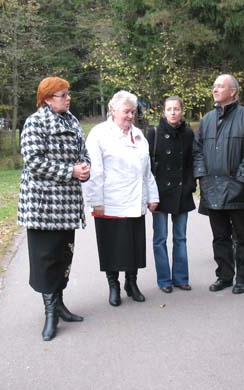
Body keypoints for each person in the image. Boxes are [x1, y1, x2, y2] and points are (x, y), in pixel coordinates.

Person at [18, 76, 90, 341]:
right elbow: (34, 161)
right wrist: (70, 170)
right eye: (62, 95)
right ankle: (50, 312)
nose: (68, 98)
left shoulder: (71, 121)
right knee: (46, 260)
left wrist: (84, 167)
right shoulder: (34, 123)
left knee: (63, 258)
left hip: (67, 203)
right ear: (47, 99)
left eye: (68, 93)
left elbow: (83, 152)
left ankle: (59, 304)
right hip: (43, 205)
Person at [84, 90, 159, 307]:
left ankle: (131, 283)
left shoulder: (138, 135)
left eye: (133, 112)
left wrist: (152, 196)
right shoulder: (99, 134)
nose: (130, 116)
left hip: (135, 200)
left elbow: (147, 170)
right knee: (112, 246)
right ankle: (113, 285)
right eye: (126, 111)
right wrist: (95, 201)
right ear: (113, 110)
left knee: (134, 245)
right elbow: (94, 171)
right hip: (110, 202)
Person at [193, 74, 244, 294]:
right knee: (220, 237)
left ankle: (243, 278)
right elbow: (197, 151)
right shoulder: (206, 120)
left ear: (232, 91)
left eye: (220, 86)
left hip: (238, 190)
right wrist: (202, 177)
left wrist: (240, 179)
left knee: (242, 237)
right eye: (214, 86)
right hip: (212, 189)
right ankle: (224, 275)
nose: (215, 89)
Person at [146, 96, 196, 293]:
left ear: (182, 111)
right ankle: (164, 280)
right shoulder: (154, 133)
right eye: (169, 109)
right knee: (160, 238)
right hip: (160, 193)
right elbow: (147, 165)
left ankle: (181, 278)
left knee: (180, 237)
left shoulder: (189, 134)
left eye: (176, 109)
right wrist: (150, 194)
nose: (173, 112)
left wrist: (191, 185)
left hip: (182, 192)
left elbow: (193, 161)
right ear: (163, 112)